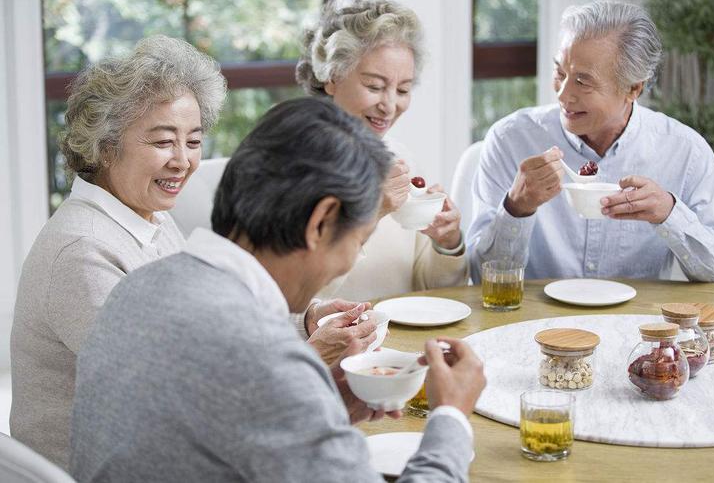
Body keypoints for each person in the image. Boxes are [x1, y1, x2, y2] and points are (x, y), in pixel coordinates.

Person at [70, 97, 486, 482]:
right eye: (358, 242)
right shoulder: (265, 358)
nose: (347, 261)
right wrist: (451, 417)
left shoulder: (139, 287)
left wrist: (320, 407)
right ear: (320, 222)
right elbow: (257, 383)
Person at [9, 35, 226, 469]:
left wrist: (304, 325)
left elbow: (203, 328)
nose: (183, 160)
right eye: (163, 141)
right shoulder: (82, 250)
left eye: (194, 140)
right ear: (106, 147)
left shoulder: (149, 217)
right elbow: (169, 391)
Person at [467, 0, 714, 283]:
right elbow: (481, 279)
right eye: (560, 73)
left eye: (582, 82)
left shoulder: (686, 152)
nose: (563, 95)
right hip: (536, 322)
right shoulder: (510, 140)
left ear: (633, 88)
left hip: (637, 324)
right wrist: (517, 207)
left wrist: (669, 214)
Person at [296, 0, 469, 307]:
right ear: (332, 77)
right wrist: (372, 211)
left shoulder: (399, 158)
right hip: (333, 349)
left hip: (404, 344)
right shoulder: (293, 166)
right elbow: (297, 298)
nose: (390, 106)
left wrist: (447, 243)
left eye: (403, 90)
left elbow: (433, 293)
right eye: (375, 86)